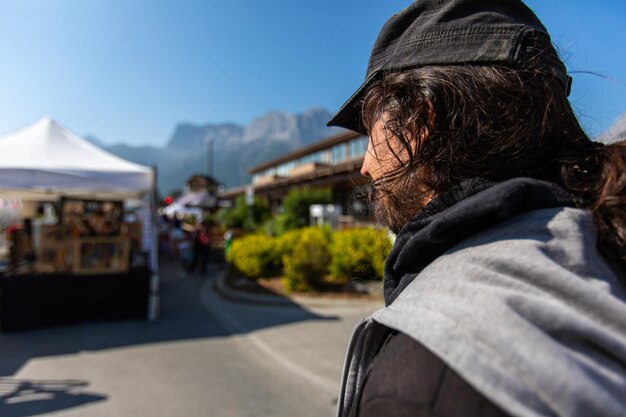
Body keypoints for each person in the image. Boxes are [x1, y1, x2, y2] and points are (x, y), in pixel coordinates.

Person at [327, 1, 626, 417]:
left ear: (417, 122)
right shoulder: (604, 244)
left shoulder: (424, 379)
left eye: (371, 129)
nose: (364, 165)